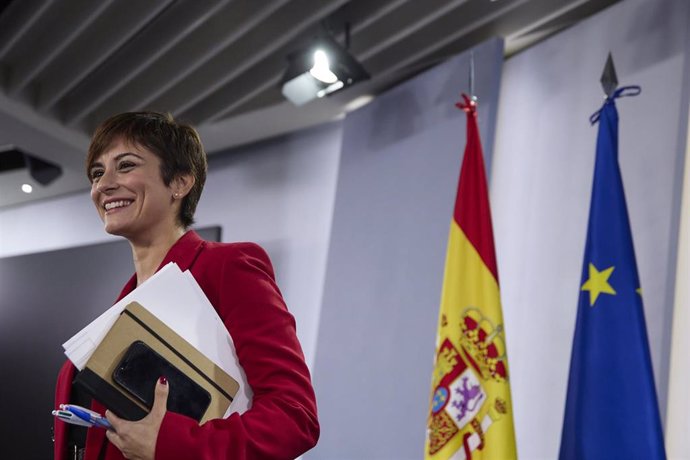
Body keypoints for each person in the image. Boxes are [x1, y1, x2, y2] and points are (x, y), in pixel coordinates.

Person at [53, 112, 319, 460]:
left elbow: (294, 417)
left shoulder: (228, 268)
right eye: (98, 173)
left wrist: (171, 445)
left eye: (126, 165)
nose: (103, 185)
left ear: (179, 182)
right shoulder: (125, 303)